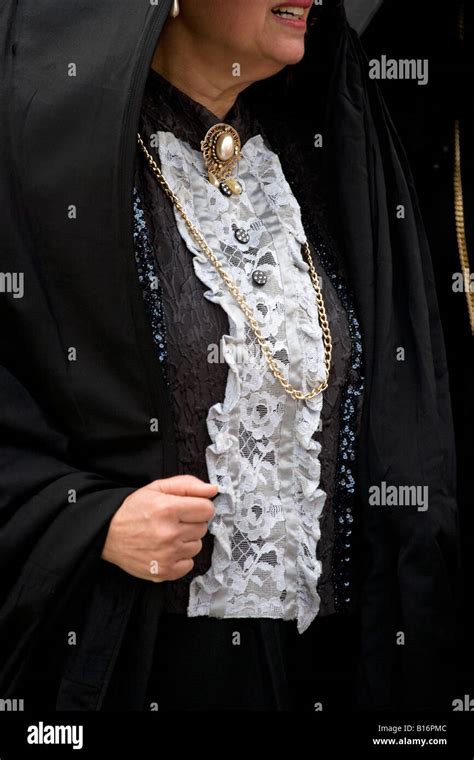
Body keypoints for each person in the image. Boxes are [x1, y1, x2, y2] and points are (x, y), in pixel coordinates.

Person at [0, 0, 460, 712]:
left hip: (321, 667)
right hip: (146, 660)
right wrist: (89, 520)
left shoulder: (320, 158)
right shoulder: (53, 159)